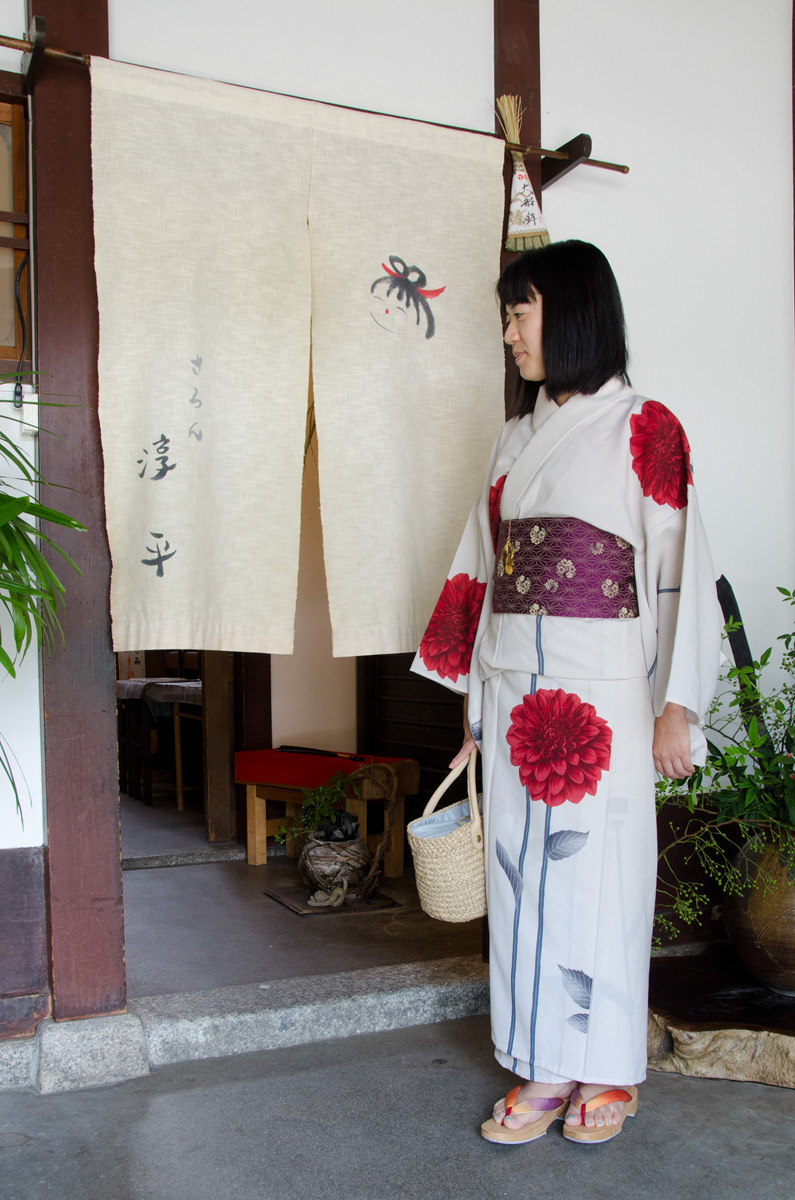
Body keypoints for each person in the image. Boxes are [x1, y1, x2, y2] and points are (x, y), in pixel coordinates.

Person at [411, 240, 721, 1146]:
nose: (509, 335)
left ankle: (608, 1065)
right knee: (522, 881)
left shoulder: (645, 427)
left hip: (606, 693)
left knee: (602, 876)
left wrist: (675, 705)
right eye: (507, 317)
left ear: (575, 311)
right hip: (514, 689)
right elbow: (481, 568)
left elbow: (679, 569)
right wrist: (472, 702)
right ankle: (542, 1062)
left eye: (520, 314)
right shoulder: (514, 437)